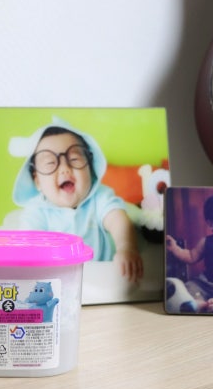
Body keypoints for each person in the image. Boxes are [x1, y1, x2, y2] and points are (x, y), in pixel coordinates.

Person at [9, 117, 143, 283]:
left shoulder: (99, 197)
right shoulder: (37, 211)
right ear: (37, 181)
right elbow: (29, 244)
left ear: (90, 169)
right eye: (50, 163)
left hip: (100, 280)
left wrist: (126, 248)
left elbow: (117, 219)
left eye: (74, 160)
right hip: (58, 282)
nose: (65, 169)